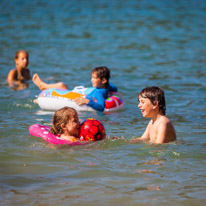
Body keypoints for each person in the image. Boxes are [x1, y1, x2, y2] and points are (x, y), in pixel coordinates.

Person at [33, 66, 117, 111]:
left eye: (94, 78)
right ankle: (43, 90)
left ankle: (43, 87)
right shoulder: (107, 87)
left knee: (61, 85)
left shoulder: (99, 93)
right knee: (62, 86)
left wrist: (88, 101)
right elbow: (115, 88)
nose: (91, 80)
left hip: (80, 97)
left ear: (103, 80)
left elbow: (101, 107)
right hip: (82, 93)